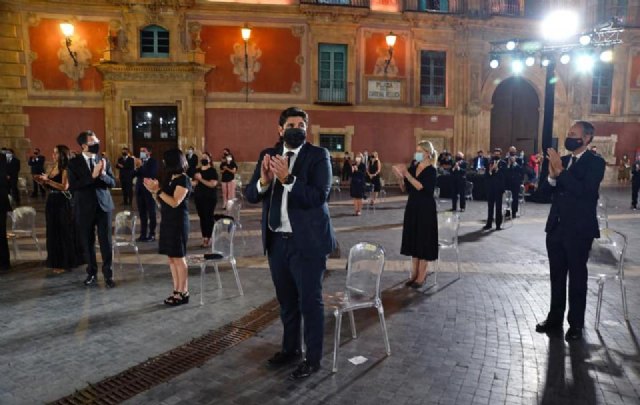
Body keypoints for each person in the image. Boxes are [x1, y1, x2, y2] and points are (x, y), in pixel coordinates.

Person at [245, 106, 336, 380]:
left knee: (310, 302)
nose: (297, 128)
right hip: (277, 243)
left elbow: (318, 196)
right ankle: (291, 349)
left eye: (301, 124)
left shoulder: (318, 156)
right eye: (291, 124)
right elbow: (251, 195)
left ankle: (313, 358)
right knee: (286, 302)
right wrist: (264, 180)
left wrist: (288, 179)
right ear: (280, 129)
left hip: (307, 244)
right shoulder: (268, 156)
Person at [535, 121, 606, 342]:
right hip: (556, 228)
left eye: (573, 134)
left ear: (586, 138)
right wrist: (551, 176)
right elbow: (543, 193)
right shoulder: (561, 161)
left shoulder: (596, 163)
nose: (569, 136)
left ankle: (575, 324)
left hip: (579, 231)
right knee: (556, 276)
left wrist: (561, 172)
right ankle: (554, 318)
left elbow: (584, 191)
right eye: (568, 133)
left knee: (577, 277)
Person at [143, 149, 192, 306]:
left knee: (179, 257)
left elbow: (175, 202)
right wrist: (153, 192)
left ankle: (184, 292)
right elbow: (162, 203)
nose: (163, 163)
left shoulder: (184, 180)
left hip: (178, 223)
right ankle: (176, 290)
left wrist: (158, 190)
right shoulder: (170, 178)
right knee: (171, 258)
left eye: (165, 160)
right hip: (167, 221)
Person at [67, 130, 116, 288]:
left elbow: (112, 182)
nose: (97, 144)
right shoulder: (73, 163)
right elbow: (73, 186)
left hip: (104, 206)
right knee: (87, 242)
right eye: (93, 143)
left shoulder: (103, 159)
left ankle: (108, 274)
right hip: (84, 207)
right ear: (83, 146)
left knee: (106, 242)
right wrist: (92, 176)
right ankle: (91, 273)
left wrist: (102, 175)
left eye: (97, 141)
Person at [392, 141, 438, 288]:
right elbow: (406, 188)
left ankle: (421, 276)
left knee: (423, 241)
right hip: (412, 207)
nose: (416, 153)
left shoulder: (431, 170)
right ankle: (413, 274)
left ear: (427, 153)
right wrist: (399, 177)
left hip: (425, 209)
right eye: (416, 150)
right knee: (414, 240)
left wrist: (407, 174)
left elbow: (421, 187)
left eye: (419, 151)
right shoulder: (413, 168)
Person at [35, 145, 79, 274]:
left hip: (62, 202)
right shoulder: (52, 167)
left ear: (62, 154)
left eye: (56, 153)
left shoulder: (66, 168)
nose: (53, 155)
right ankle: (54, 260)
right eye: (53, 152)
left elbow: (64, 186)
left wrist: (47, 181)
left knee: (62, 231)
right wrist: (41, 182)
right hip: (52, 201)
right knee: (52, 231)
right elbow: (49, 186)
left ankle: (65, 262)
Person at [193, 152, 219, 247]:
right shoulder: (197, 170)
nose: (203, 158)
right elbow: (194, 183)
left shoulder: (212, 171)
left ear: (209, 159)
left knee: (208, 217)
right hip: (199, 197)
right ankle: (204, 237)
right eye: (202, 157)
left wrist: (201, 179)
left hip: (210, 198)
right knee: (202, 218)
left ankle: (210, 237)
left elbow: (212, 184)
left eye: (205, 157)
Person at [134, 146, 158, 242]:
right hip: (139, 190)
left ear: (149, 152)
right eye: (140, 151)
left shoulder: (153, 162)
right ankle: (143, 234)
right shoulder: (138, 161)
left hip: (149, 190)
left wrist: (140, 167)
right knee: (142, 213)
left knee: (151, 213)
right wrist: (136, 167)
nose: (141, 152)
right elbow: (132, 174)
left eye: (144, 151)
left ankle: (152, 234)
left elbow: (150, 174)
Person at [483, 148, 506, 230]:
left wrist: (496, 170)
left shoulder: (503, 163)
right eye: (495, 153)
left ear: (500, 155)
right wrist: (490, 171)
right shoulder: (489, 162)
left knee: (498, 207)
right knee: (490, 206)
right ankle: (489, 224)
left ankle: (498, 225)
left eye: (498, 154)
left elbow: (504, 176)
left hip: (499, 188)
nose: (496, 155)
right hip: (490, 188)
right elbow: (486, 176)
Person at [504, 146, 524, 218]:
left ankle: (514, 212)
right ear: (509, 151)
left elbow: (521, 170)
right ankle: (508, 211)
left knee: (515, 198)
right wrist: (509, 165)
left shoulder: (519, 160)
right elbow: (504, 171)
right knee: (508, 198)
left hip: (516, 182)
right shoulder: (505, 160)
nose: (512, 152)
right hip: (508, 182)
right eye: (511, 151)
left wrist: (514, 163)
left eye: (513, 151)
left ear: (515, 151)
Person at [0, 153, 10, 271]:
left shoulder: (1, 157)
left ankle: (3, 263)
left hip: (0, 202)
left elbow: (2, 179)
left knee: (1, 233)